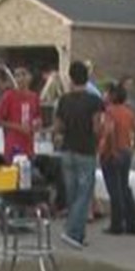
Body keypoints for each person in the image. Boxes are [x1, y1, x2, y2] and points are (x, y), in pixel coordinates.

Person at [53, 60, 104, 249]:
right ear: (87, 77)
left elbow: (58, 126)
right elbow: (96, 126)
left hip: (68, 148)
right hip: (86, 148)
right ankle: (73, 231)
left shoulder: (64, 100)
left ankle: (77, 233)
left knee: (72, 191)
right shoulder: (94, 101)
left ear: (71, 78)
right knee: (85, 192)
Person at [98, 83, 135, 236]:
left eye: (106, 93)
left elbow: (110, 131)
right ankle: (132, 222)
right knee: (124, 186)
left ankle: (116, 223)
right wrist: (134, 146)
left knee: (114, 189)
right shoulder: (128, 112)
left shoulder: (109, 112)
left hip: (112, 152)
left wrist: (112, 149)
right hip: (126, 150)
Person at [0, 67, 41, 164]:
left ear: (30, 77)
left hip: (29, 145)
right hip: (13, 145)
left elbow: (37, 116)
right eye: (17, 75)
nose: (20, 78)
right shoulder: (9, 96)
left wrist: (37, 123)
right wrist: (16, 127)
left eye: (23, 74)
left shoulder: (34, 97)